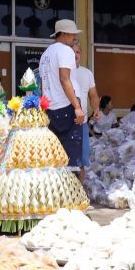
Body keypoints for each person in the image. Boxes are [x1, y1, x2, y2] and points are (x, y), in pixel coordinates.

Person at [39, 19, 85, 169]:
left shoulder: (46, 54)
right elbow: (64, 79)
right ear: (64, 34)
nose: (74, 39)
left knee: (54, 159)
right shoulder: (65, 51)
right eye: (73, 35)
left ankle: (55, 191)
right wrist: (77, 107)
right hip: (66, 108)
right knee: (71, 161)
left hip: (50, 110)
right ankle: (70, 191)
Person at [72, 42, 100, 182]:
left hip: (81, 124)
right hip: (66, 123)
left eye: (78, 52)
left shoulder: (87, 73)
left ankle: (80, 191)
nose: (75, 54)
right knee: (66, 160)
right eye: (72, 51)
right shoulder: (63, 72)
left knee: (82, 160)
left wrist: (96, 109)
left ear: (81, 55)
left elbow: (93, 95)